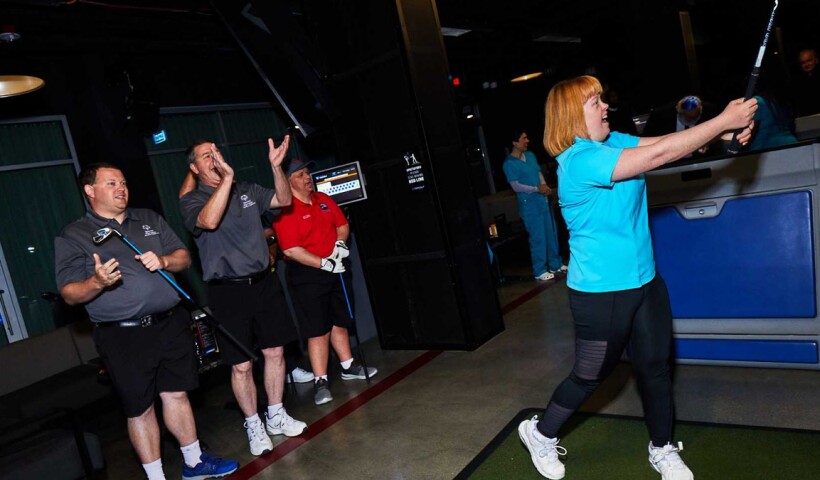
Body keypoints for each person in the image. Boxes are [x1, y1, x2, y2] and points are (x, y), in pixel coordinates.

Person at [518, 75, 756, 480]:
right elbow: (656, 156)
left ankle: (662, 447)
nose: (605, 106)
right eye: (595, 102)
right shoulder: (578, 161)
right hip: (600, 293)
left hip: (645, 282)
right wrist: (722, 121)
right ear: (573, 116)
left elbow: (669, 146)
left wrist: (723, 135)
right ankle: (540, 433)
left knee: (655, 366)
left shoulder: (613, 142)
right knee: (590, 375)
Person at [55, 163, 238, 480]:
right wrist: (97, 282)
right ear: (89, 190)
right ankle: (156, 477)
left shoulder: (149, 219)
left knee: (177, 393)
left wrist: (165, 260)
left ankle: (194, 463)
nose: (121, 187)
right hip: (124, 337)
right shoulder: (74, 235)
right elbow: (69, 293)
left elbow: (184, 256)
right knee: (140, 408)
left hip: (169, 324)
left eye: (123, 181)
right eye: (111, 183)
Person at [179, 137, 307, 457]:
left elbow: (283, 199)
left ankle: (276, 414)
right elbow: (208, 221)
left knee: (276, 352)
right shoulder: (192, 200)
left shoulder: (248, 189)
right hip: (228, 291)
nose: (215, 159)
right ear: (195, 168)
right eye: (207, 156)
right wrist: (228, 179)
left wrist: (276, 167)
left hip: (264, 283)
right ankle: (253, 423)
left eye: (217, 152)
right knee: (241, 366)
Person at [272, 158, 378, 406]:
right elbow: (291, 249)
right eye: (300, 175)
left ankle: (348, 365)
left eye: (308, 173)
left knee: (340, 319)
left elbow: (342, 224)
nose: (307, 177)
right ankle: (321, 381)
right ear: (288, 181)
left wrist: (339, 246)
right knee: (317, 328)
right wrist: (323, 262)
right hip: (308, 274)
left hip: (337, 265)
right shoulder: (285, 210)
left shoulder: (323, 200)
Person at [502, 130, 567, 281]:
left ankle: (555, 264)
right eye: (523, 138)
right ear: (514, 142)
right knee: (538, 238)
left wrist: (544, 187)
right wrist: (536, 189)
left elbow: (539, 174)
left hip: (542, 202)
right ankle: (539, 270)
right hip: (529, 206)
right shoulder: (509, 164)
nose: (527, 140)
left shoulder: (530, 156)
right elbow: (516, 186)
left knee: (551, 233)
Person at [642, 95, 720, 156]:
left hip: (701, 160)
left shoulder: (710, 113)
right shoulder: (660, 117)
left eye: (694, 118)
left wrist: (708, 143)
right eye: (688, 118)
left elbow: (718, 137)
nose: (691, 121)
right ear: (678, 111)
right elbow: (648, 141)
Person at [792, 48, 820, 117]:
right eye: (803, 62)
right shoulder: (798, 83)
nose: (807, 64)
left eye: (809, 60)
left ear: (816, 60)